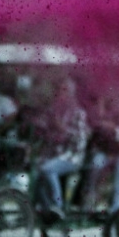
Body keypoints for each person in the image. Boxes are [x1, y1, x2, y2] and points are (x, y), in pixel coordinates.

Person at [35, 76, 90, 222]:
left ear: (72, 93)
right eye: (59, 90)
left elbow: (80, 139)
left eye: (65, 90)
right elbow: (44, 132)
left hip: (71, 156)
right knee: (36, 172)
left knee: (47, 169)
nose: (61, 94)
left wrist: (62, 129)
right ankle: (44, 207)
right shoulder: (52, 111)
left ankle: (57, 206)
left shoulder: (78, 113)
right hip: (53, 155)